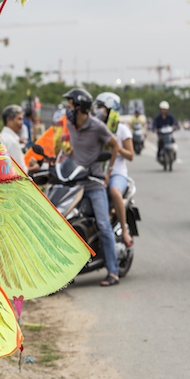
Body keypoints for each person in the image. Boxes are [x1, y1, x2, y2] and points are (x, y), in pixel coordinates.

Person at [62, 88, 121, 286]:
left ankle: (113, 271)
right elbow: (70, 149)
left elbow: (114, 146)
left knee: (103, 225)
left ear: (80, 107)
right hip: (76, 183)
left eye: (69, 106)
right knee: (66, 223)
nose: (67, 109)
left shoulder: (97, 126)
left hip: (95, 184)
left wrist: (109, 172)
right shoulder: (70, 125)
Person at [95, 92, 134, 247]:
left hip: (118, 173)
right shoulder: (96, 127)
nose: (98, 110)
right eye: (97, 107)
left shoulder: (122, 129)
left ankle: (124, 230)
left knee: (114, 191)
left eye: (101, 107)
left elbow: (131, 155)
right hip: (98, 173)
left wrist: (117, 148)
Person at [1, 104, 38, 174]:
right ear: (8, 119)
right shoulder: (12, 142)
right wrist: (35, 167)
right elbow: (21, 172)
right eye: (19, 119)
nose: (22, 123)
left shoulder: (3, 137)